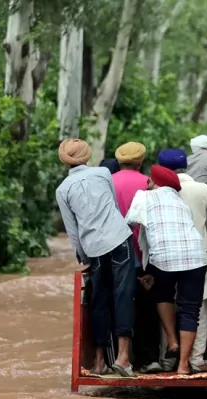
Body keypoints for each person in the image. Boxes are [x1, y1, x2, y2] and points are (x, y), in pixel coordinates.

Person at [55, 139, 136, 378]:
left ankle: (99, 362)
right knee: (123, 295)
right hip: (120, 239)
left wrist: (83, 256)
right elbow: (113, 206)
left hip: (94, 247)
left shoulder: (63, 189)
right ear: (86, 156)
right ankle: (123, 358)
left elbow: (72, 229)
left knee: (99, 299)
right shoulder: (102, 173)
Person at [125, 165, 207, 376]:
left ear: (155, 183)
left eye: (150, 181)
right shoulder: (181, 203)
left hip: (165, 257)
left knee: (162, 295)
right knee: (190, 310)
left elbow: (128, 223)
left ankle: (172, 341)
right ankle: (183, 366)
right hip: (196, 256)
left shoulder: (144, 197)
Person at [158, 149, 207, 372]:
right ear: (188, 167)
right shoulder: (202, 190)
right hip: (197, 255)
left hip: (163, 256)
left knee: (167, 305)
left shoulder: (157, 192)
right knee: (197, 307)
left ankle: (168, 358)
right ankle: (195, 359)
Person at [111, 141, 163, 374]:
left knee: (120, 302)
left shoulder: (108, 182)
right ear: (141, 162)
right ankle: (149, 358)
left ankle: (119, 356)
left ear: (119, 161)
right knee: (147, 305)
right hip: (145, 253)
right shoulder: (148, 183)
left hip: (115, 252)